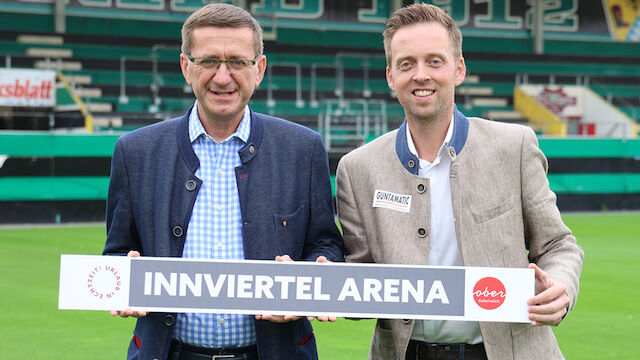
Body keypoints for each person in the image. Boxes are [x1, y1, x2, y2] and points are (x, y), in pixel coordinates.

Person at [335, 4, 583, 360]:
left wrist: (561, 285)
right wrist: (327, 284)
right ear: (390, 76)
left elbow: (558, 244)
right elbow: (360, 286)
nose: (421, 75)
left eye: (435, 61)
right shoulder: (357, 168)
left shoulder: (513, 146)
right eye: (407, 63)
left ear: (459, 69)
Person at [103, 3, 343, 360]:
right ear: (186, 67)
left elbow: (326, 245)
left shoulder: (302, 148)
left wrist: (314, 274)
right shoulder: (135, 152)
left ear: (259, 69)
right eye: (209, 61)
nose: (222, 76)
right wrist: (122, 277)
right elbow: (117, 252)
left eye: (237, 62)